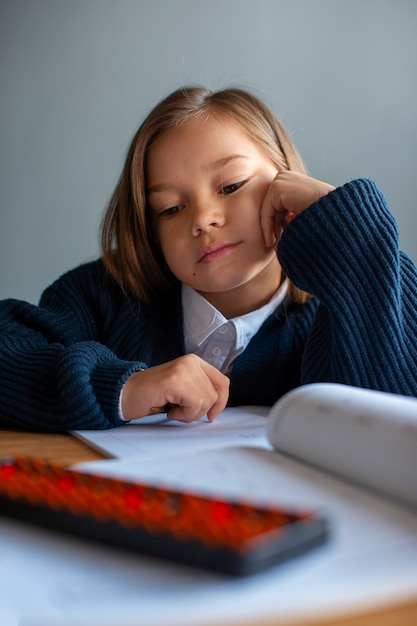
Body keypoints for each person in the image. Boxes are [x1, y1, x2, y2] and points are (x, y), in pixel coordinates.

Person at [1, 86, 417, 432]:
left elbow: (395, 428)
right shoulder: (104, 298)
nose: (202, 219)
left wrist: (349, 237)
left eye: (232, 186)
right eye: (169, 209)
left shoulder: (343, 311)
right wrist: (122, 389)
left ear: (286, 181)